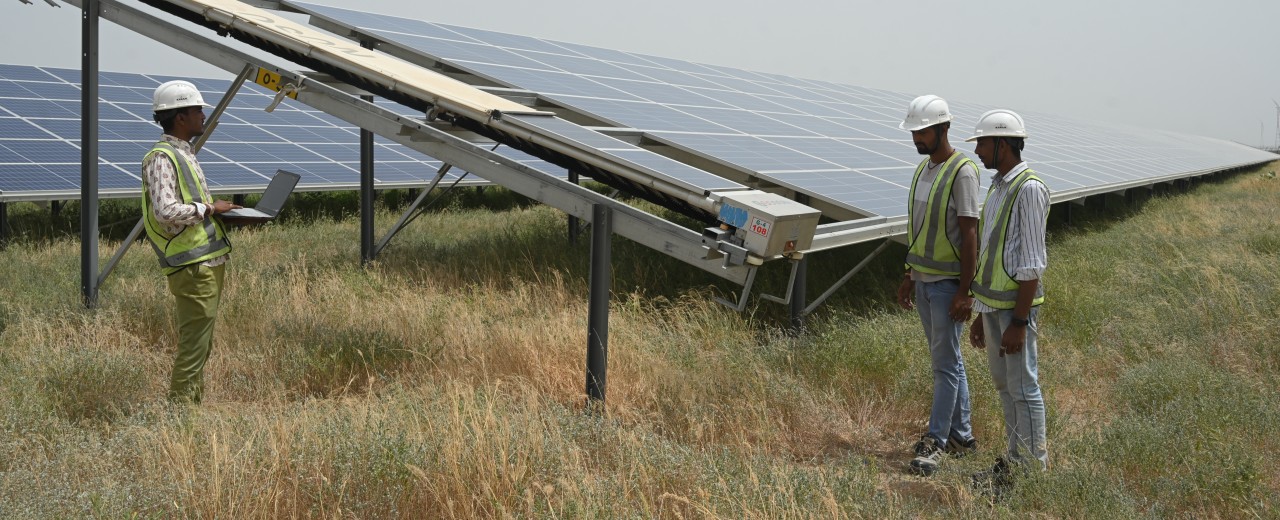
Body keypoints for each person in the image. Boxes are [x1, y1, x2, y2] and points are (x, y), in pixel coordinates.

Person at [965, 109, 1051, 490]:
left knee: (1024, 387)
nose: (979, 150)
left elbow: (1032, 265)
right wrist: (981, 313)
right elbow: (992, 255)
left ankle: (1032, 472)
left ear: (1003, 144)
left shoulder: (1028, 189)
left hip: (1015, 315)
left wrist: (1018, 322)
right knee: (1005, 386)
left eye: (983, 142)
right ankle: (1013, 464)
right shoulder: (999, 187)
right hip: (994, 310)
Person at [141, 80, 242, 404]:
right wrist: (210, 208)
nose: (203, 115)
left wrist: (220, 213)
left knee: (201, 344)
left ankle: (189, 411)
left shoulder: (183, 153)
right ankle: (181, 420)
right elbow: (165, 211)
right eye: (197, 109)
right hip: (193, 266)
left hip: (206, 261)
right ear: (180, 117)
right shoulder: (162, 157)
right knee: (194, 345)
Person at [896, 95, 981, 476]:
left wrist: (966, 291)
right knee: (949, 361)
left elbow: (970, 234)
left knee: (944, 365)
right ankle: (962, 435)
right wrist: (908, 275)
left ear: (944, 128)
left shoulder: (962, 170)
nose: (917, 138)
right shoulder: (923, 169)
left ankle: (936, 442)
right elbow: (920, 230)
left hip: (948, 285)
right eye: (914, 131)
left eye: (923, 131)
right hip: (923, 281)